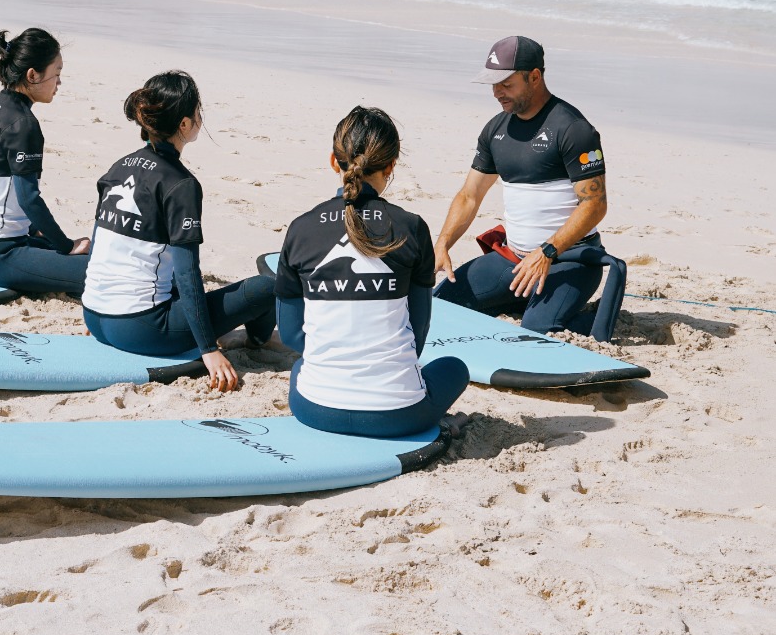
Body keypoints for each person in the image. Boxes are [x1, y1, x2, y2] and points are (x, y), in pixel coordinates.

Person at [274, 106, 469, 438]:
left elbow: (291, 333)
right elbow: (418, 333)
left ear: (333, 161)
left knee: (300, 368)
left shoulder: (301, 228)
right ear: (391, 165)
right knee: (455, 368)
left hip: (315, 409)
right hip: (399, 415)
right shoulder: (411, 227)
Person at [81, 71, 277, 392]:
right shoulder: (181, 184)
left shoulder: (118, 167)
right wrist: (208, 348)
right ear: (184, 124)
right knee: (267, 288)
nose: (200, 118)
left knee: (160, 265)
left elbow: (101, 245)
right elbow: (188, 274)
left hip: (94, 316)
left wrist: (100, 304)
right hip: (141, 329)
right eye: (198, 111)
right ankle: (256, 340)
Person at [434, 35, 608, 334]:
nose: (497, 93)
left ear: (535, 77)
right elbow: (469, 196)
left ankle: (596, 316)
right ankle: (521, 301)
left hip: (569, 260)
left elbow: (594, 205)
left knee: (538, 329)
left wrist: (547, 252)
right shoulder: (496, 129)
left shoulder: (573, 129)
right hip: (514, 259)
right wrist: (442, 244)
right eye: (493, 84)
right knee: (440, 304)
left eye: (506, 84)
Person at [0, 28, 90, 297]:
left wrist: (35, 231)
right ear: (32, 75)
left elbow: (1, 185)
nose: (59, 83)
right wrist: (65, 246)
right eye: (57, 73)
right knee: (105, 272)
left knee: (92, 251)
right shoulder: (23, 124)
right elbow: (29, 198)